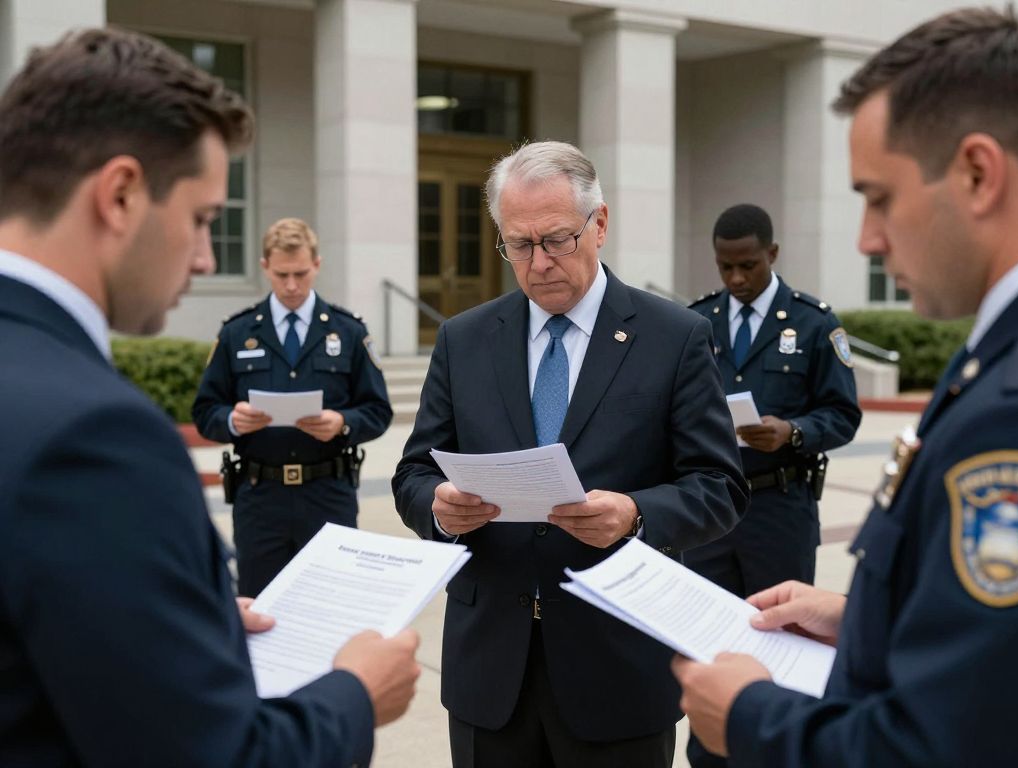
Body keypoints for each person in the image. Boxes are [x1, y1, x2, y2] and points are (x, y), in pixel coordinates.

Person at [0, 28, 418, 767]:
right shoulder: (94, 436)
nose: (201, 257)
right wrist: (355, 690)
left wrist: (172, 620)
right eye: (201, 219)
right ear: (121, 194)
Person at [673, 8, 1018, 767]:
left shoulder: (1006, 410)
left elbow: (941, 739)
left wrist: (748, 714)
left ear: (977, 173)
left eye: (879, 196)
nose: (866, 237)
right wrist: (859, 616)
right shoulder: (994, 361)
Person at [393, 140, 749, 767]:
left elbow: (720, 486)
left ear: (599, 224)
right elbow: (414, 472)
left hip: (617, 665)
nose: (538, 263)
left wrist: (634, 515)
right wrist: (442, 509)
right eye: (519, 245)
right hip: (490, 668)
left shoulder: (674, 338)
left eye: (556, 239)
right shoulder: (465, 339)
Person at [683, 204, 861, 767]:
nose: (736, 279)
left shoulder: (813, 322)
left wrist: (795, 432)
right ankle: (709, 753)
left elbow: (843, 413)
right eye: (725, 267)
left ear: (773, 255)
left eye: (748, 266)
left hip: (780, 505)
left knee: (780, 639)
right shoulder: (699, 320)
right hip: (712, 512)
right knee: (710, 639)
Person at [193, 217, 392, 597]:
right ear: (265, 266)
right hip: (259, 497)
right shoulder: (237, 332)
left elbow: (377, 410)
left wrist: (342, 422)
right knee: (260, 605)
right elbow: (206, 412)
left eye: (301, 273)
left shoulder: (348, 331)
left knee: (330, 603)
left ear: (316, 264)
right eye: (281, 274)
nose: (291, 285)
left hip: (328, 493)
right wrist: (232, 420)